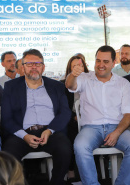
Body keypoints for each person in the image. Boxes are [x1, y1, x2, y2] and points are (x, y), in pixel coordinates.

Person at [66, 45, 130, 185]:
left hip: (117, 127)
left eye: (106, 62)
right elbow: (70, 86)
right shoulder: (84, 78)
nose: (101, 65)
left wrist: (117, 132)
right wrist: (73, 74)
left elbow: (128, 114)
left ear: (114, 63)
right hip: (91, 128)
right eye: (98, 61)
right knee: (80, 145)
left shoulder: (123, 83)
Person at [1, 49, 72, 185]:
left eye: (38, 64)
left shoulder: (56, 86)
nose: (34, 67)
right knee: (8, 154)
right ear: (22, 67)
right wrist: (24, 136)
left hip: (50, 132)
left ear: (43, 67)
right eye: (29, 64)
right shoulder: (11, 86)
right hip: (22, 133)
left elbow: (65, 112)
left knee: (65, 149)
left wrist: (49, 130)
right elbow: (7, 118)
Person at [60, 55, 89, 183]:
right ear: (69, 69)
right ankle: (71, 170)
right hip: (72, 118)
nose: (78, 68)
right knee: (71, 131)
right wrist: (75, 117)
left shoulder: (92, 82)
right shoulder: (64, 85)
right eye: (74, 66)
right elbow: (63, 108)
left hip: (90, 120)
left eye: (80, 65)